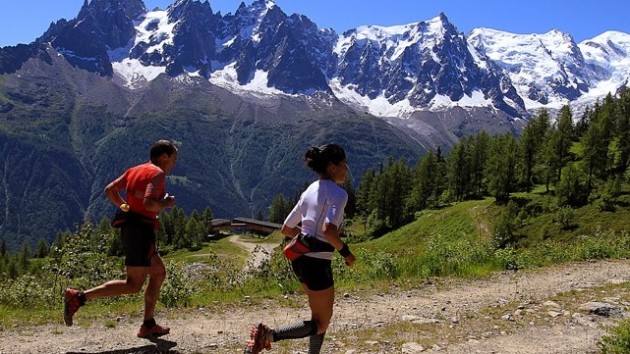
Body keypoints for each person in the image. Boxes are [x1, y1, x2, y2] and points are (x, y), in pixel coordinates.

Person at [244, 143, 356, 354]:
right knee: (322, 322)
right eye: (344, 164)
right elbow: (329, 231)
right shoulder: (339, 195)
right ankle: (268, 335)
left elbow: (286, 228)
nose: (346, 169)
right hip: (317, 262)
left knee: (318, 317)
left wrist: (309, 238)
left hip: (300, 260)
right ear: (332, 167)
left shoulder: (310, 190)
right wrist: (346, 253)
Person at [63, 139, 178, 338]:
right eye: (173, 159)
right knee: (133, 285)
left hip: (133, 228)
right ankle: (78, 298)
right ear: (164, 156)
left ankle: (148, 324)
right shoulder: (157, 174)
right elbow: (150, 204)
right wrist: (165, 203)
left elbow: (109, 190)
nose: (174, 164)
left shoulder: (134, 170)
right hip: (140, 231)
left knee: (158, 272)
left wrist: (125, 206)